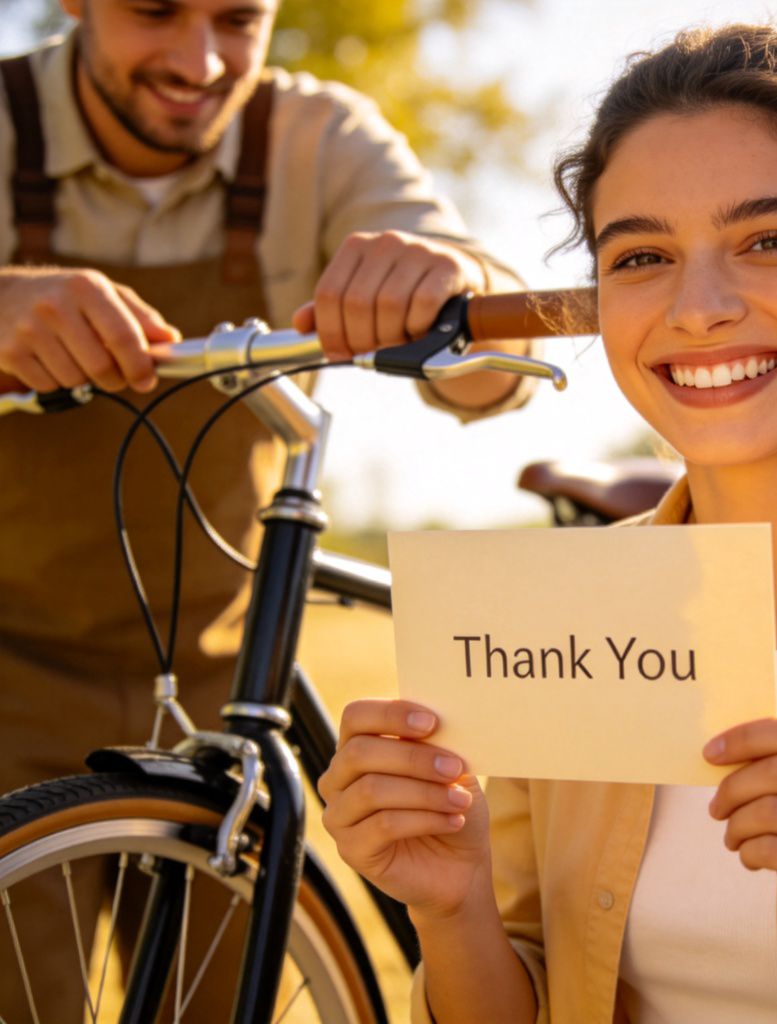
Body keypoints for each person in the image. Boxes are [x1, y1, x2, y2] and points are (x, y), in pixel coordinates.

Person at [320, 14, 777, 1024]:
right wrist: (454, 908)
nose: (697, 307)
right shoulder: (548, 617)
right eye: (641, 256)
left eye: (770, 240)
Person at [0, 0, 533, 1017]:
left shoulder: (319, 137)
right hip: (7, 673)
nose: (199, 59)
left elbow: (497, 366)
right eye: (154, 11)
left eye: (238, 19)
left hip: (224, 673)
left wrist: (446, 284)